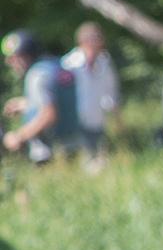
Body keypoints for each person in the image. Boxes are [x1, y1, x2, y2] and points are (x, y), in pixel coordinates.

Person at [3, 31, 78, 164]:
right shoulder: (55, 66)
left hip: (50, 153)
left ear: (26, 56)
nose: (9, 62)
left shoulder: (37, 76)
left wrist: (18, 137)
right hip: (74, 143)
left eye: (13, 58)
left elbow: (49, 115)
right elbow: (58, 101)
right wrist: (25, 104)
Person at [64, 23, 120, 157]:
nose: (99, 42)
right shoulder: (70, 64)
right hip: (75, 120)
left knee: (96, 157)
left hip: (96, 119)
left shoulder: (104, 62)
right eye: (94, 39)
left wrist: (117, 117)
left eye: (99, 38)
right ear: (83, 41)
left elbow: (111, 91)